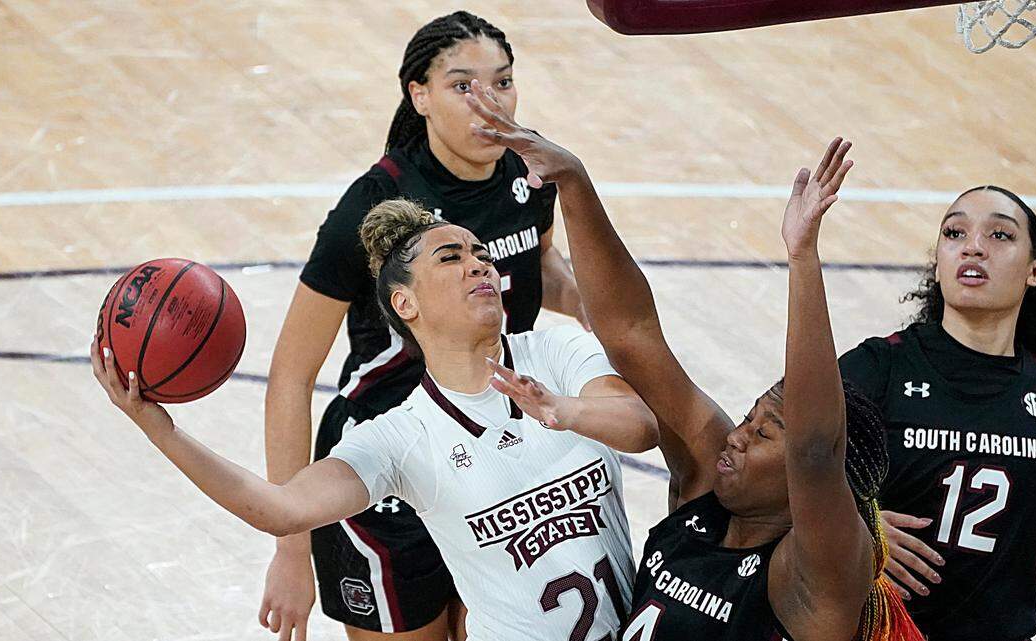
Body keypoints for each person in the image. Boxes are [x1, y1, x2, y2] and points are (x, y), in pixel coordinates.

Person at [465, 85, 922, 640]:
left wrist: (802, 258)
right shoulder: (708, 489)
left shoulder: (811, 579)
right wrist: (574, 182)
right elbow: (632, 337)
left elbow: (815, 449)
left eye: (764, 433)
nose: (738, 435)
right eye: (751, 417)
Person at [92, 200, 656, 641]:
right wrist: (157, 428)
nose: (478, 263)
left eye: (481, 253)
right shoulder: (399, 438)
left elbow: (642, 423)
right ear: (405, 304)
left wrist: (567, 410)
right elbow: (277, 508)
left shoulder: (554, 354)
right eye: (451, 257)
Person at [261, 11, 586, 641]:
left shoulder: (531, 172)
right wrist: (290, 548)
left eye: (503, 82)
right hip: (391, 464)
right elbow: (291, 377)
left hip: (496, 451)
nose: (489, 103)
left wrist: (601, 312)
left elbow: (539, 260)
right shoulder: (376, 207)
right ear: (420, 96)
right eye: (463, 86)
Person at [837, 186, 1036, 641]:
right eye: (955, 232)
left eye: (999, 235)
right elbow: (775, 482)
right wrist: (855, 531)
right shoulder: (877, 368)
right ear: (938, 263)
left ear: (1035, 272)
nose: (973, 246)